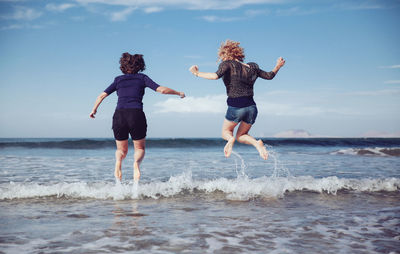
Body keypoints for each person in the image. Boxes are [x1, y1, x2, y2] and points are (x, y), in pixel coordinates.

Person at [90, 52, 185, 183]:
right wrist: (178, 92)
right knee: (139, 148)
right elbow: (161, 90)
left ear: (123, 66)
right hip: (136, 114)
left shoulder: (118, 80)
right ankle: (136, 164)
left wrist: (94, 109)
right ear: (140, 65)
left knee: (121, 150)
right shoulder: (142, 78)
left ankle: (118, 161)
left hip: (119, 115)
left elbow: (101, 96)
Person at [189, 40, 285, 160]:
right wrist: (278, 66)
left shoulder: (227, 63)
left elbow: (214, 76)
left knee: (226, 132)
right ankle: (257, 144)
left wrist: (196, 73)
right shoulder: (252, 66)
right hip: (252, 107)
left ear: (224, 54)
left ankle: (230, 139)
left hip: (236, 105)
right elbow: (269, 76)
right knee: (242, 135)